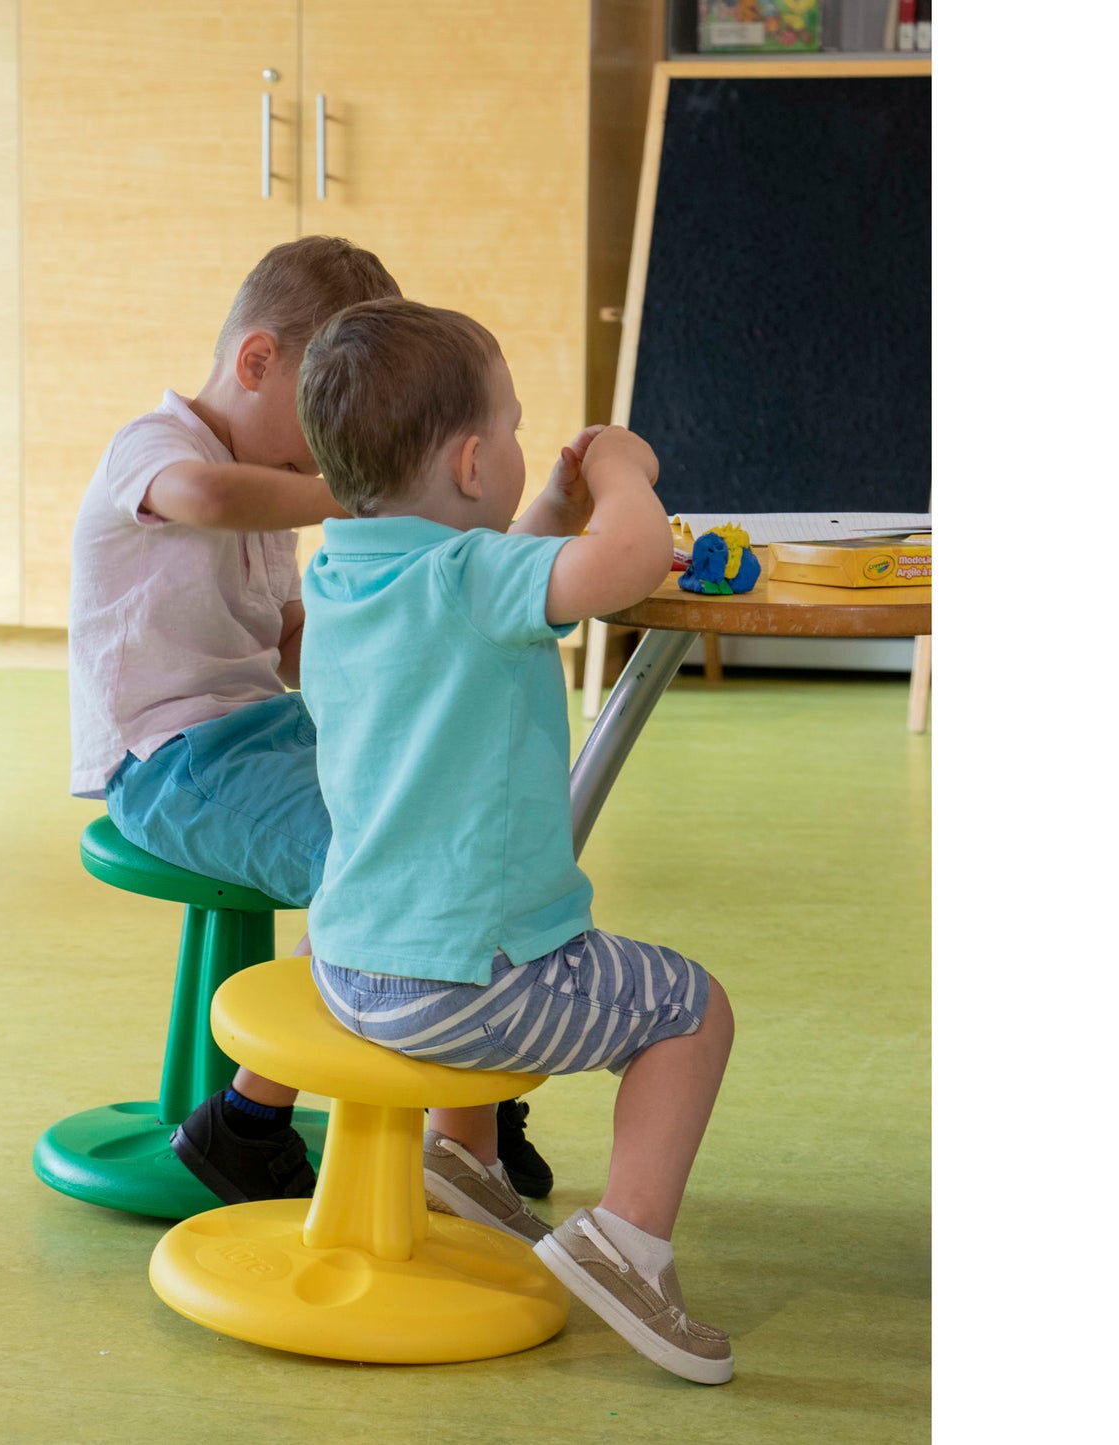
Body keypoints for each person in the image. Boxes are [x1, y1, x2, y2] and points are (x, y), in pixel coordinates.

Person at [295, 297, 737, 1385]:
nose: (518, 442)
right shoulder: (471, 579)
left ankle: (461, 1153)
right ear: (468, 461)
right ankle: (626, 1242)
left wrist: (546, 502)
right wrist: (623, 473)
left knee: (480, 936)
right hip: (463, 982)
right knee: (691, 1010)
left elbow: (489, 574)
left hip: (349, 962)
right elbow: (627, 558)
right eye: (511, 427)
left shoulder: (344, 574)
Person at [66, 239, 554, 1206]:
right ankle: (252, 1122)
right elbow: (206, 497)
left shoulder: (271, 490)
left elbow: (294, 643)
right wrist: (372, 488)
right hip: (169, 760)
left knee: (464, 823)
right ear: (256, 361)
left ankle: (465, 1096)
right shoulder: (158, 447)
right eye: (329, 407)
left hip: (266, 731)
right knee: (385, 865)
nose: (341, 439)